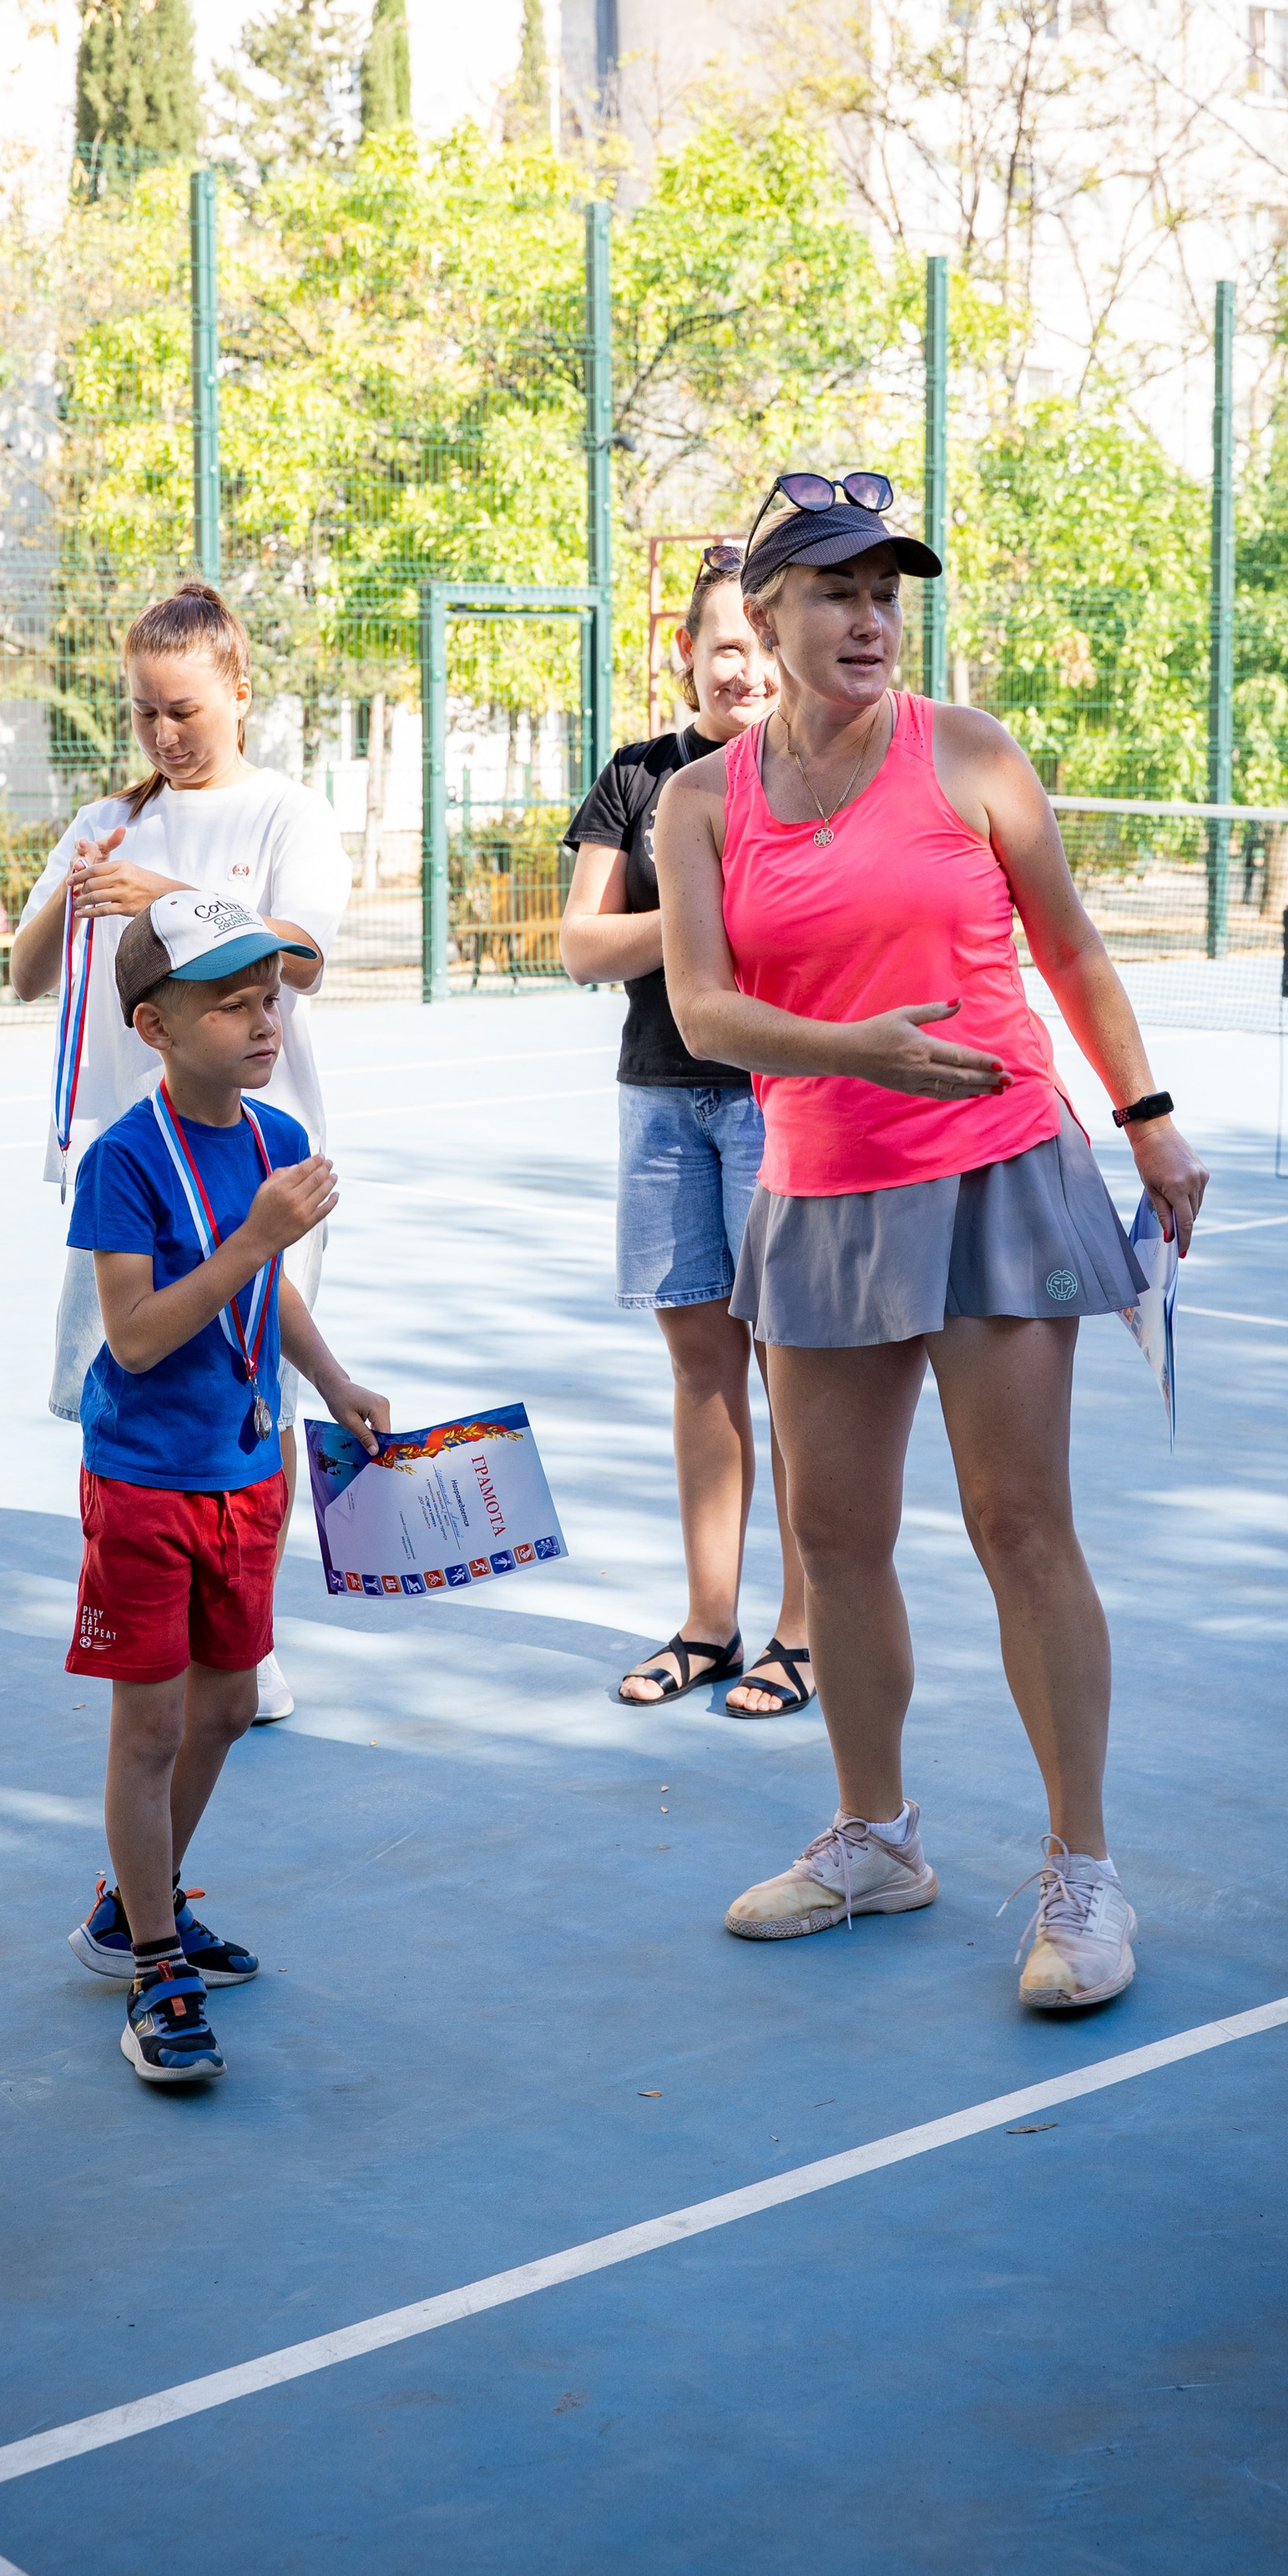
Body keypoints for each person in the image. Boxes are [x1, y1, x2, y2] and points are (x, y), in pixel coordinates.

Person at [659, 471, 1209, 2010]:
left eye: (886, 592)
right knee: (832, 1543)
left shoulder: (968, 752)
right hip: (820, 1191)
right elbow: (701, 1010)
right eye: (835, 591)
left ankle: (1084, 1873)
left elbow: (1071, 943)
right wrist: (857, 1051)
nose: (870, 619)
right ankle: (876, 1838)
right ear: (764, 618)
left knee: (1018, 1524)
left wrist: (1148, 1116)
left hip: (996, 1170)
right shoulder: (704, 805)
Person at [59, 892, 389, 2085]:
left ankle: (129, 1908)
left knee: (230, 1709)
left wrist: (334, 1379)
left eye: (269, 999)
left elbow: (269, 1295)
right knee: (148, 1728)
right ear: (154, 1024)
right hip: (146, 1480)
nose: (263, 1022)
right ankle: (155, 1966)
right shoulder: (124, 1160)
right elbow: (137, 1336)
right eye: (231, 1005)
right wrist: (252, 1240)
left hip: (255, 1468)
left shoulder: (276, 1140)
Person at [11, 578, 351, 1724]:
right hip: (137, 1157)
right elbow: (24, 975)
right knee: (135, 1385)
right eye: (145, 712)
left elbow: (300, 957)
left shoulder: (285, 816)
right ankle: (152, 1617)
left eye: (185, 711)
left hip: (254, 1157)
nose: (164, 734)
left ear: (239, 694)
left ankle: (250, 1640)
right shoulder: (110, 817)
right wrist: (76, 885)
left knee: (266, 1393)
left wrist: (170, 897)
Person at [560, 550, 812, 1718]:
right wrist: (700, 913)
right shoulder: (638, 778)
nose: (748, 669)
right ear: (688, 653)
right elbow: (582, 945)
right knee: (701, 1373)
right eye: (727, 645)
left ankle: (802, 1633)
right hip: (662, 1100)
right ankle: (710, 1625)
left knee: (795, 1372)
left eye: (765, 645)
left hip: (778, 1100)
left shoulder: (817, 773)